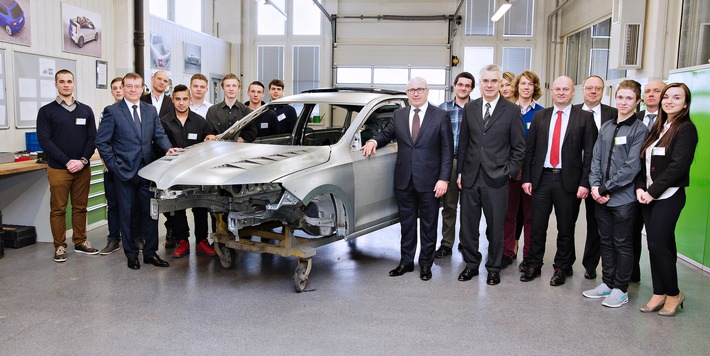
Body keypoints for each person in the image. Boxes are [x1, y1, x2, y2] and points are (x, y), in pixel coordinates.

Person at [361, 77, 453, 281]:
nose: (416, 93)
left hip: (430, 181)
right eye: (411, 90)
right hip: (404, 179)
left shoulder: (440, 116)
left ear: (427, 91)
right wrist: (373, 140)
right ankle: (406, 262)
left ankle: (426, 264)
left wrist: (444, 179)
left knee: (429, 224)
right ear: (407, 93)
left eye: (420, 89)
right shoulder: (399, 114)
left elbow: (447, 150)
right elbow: (386, 134)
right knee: (407, 223)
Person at [96, 72, 179, 270]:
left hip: (147, 172)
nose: (133, 89)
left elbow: (159, 134)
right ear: (123, 88)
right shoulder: (112, 111)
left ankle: (150, 253)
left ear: (143, 88)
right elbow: (102, 141)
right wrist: (114, 165)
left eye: (136, 86)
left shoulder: (150, 110)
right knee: (127, 214)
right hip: (123, 172)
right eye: (129, 86)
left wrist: (168, 148)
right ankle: (131, 254)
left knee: (151, 214)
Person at [520, 76, 597, 286]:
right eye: (557, 89)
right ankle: (534, 264)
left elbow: (590, 154)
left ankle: (562, 267)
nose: (561, 93)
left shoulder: (584, 118)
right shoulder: (541, 116)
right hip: (541, 178)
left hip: (569, 180)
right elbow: (530, 151)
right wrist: (526, 178)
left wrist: (585, 183)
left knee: (566, 228)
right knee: (537, 226)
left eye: (565, 89)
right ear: (551, 92)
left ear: (573, 92)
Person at [457, 64, 526, 285]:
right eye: (485, 81)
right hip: (470, 177)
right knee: (468, 225)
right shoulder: (470, 108)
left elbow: (519, 148)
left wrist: (509, 173)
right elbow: (464, 142)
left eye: (494, 81)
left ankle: (494, 267)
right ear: (480, 83)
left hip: (497, 179)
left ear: (500, 83)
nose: (489, 85)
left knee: (496, 226)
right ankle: (471, 264)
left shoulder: (512, 110)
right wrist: (460, 173)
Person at [583, 80, 648, 308]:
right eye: (620, 97)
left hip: (623, 199)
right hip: (600, 196)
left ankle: (621, 288)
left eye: (629, 98)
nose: (623, 102)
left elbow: (631, 167)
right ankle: (607, 283)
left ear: (637, 102)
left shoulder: (640, 130)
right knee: (606, 241)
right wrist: (594, 186)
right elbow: (596, 159)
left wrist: (605, 188)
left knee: (622, 242)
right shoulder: (607, 126)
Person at [636, 82, 698, 316]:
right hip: (649, 196)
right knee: (659, 246)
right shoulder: (660, 127)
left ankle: (674, 293)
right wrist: (641, 187)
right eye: (667, 97)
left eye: (676, 97)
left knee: (657, 244)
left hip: (668, 196)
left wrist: (652, 192)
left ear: (685, 103)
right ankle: (659, 292)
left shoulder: (686, 129)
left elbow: (677, 167)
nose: (669, 101)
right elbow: (644, 161)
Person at [37, 69, 99, 262]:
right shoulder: (46, 111)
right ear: (56, 84)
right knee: (58, 209)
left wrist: (81, 161)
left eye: (69, 81)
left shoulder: (85, 110)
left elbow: (92, 138)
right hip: (58, 168)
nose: (66, 84)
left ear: (74, 83)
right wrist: (66, 161)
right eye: (62, 81)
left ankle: (80, 241)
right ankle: (60, 246)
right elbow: (44, 141)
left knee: (80, 207)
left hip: (82, 168)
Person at [158, 84, 216, 258]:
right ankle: (182, 240)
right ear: (172, 100)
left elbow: (210, 142)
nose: (181, 103)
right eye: (178, 99)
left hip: (196, 173)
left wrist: (210, 139)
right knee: (177, 207)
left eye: (185, 99)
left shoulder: (200, 121)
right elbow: (159, 145)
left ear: (190, 100)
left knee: (200, 206)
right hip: (173, 172)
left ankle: (201, 241)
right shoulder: (164, 122)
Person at [576, 75, 619, 280]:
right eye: (589, 88)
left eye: (597, 88)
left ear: (603, 91)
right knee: (567, 222)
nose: (593, 91)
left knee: (595, 223)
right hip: (572, 176)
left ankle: (590, 264)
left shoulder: (614, 114)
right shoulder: (572, 112)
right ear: (583, 90)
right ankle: (564, 264)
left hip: (599, 179)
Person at [504, 70, 545, 271]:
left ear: (535, 88)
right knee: (508, 214)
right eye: (523, 84)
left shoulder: (542, 113)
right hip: (511, 170)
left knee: (531, 216)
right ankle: (506, 252)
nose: (526, 87)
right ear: (517, 87)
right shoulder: (507, 110)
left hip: (533, 172)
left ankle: (529, 256)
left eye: (530, 84)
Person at [435, 71, 474, 259]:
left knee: (469, 207)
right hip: (449, 161)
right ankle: (446, 244)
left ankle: (466, 243)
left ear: (472, 89)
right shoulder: (443, 109)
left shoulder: (476, 109)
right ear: (455, 86)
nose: (463, 88)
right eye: (461, 84)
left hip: (470, 163)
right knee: (449, 205)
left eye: (467, 85)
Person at [630, 79, 666, 282]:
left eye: (657, 91)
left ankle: (660, 282)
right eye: (648, 91)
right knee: (631, 232)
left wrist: (652, 190)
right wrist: (638, 187)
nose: (651, 94)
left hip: (660, 190)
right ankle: (632, 274)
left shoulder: (670, 122)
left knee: (657, 239)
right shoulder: (635, 118)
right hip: (635, 186)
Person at [98, 77, 126, 255]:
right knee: (113, 204)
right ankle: (114, 238)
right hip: (111, 167)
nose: (118, 91)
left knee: (133, 205)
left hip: (129, 166)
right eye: (114, 88)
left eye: (120, 87)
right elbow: (102, 140)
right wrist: (107, 162)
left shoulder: (134, 112)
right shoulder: (107, 112)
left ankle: (135, 237)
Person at [205, 73, 257, 142]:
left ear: (239, 88)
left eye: (234, 86)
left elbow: (252, 132)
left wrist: (242, 139)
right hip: (218, 150)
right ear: (223, 88)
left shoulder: (246, 110)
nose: (231, 89)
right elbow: (207, 132)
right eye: (227, 86)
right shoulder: (212, 111)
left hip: (239, 150)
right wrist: (212, 137)